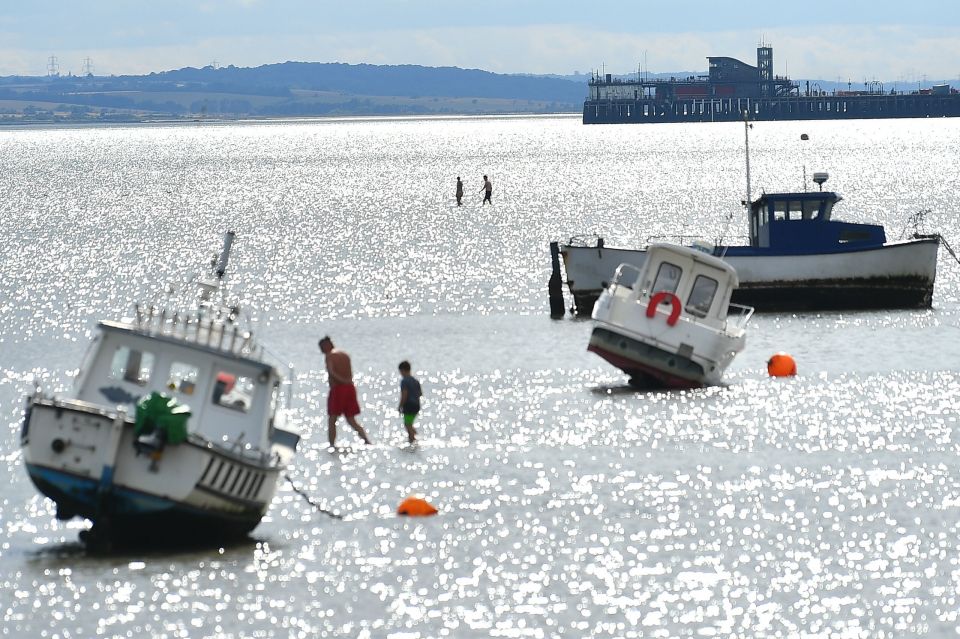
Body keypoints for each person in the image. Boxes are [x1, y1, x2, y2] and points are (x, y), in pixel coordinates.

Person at [318, 336, 371, 446]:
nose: (321, 350)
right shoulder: (344, 354)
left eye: (321, 347)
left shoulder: (330, 356)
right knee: (351, 419)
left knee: (332, 418)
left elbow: (331, 372)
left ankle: (331, 445)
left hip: (338, 389)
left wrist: (341, 381)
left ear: (326, 345)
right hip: (350, 388)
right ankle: (367, 441)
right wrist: (347, 381)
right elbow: (350, 372)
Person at [397, 360, 423, 443]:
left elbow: (404, 395)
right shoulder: (415, 381)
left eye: (400, 371)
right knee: (409, 424)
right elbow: (420, 394)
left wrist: (400, 406)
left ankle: (412, 440)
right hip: (416, 405)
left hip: (409, 405)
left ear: (403, 370)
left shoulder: (404, 381)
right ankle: (416, 437)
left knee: (407, 424)